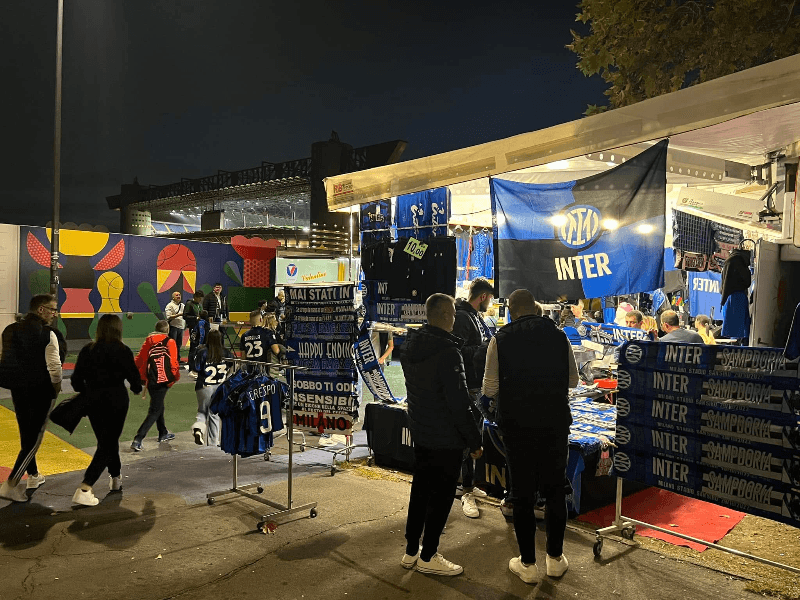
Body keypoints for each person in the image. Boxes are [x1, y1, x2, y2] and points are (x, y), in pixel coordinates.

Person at [482, 289, 578, 584]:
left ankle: (527, 564)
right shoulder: (559, 336)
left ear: (511, 310)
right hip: (554, 423)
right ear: (535, 310)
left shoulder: (501, 339)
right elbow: (573, 380)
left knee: (521, 494)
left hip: (517, 425)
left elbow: (489, 388)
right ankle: (555, 558)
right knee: (554, 490)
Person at [399, 293, 482, 577]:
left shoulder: (410, 346)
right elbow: (459, 403)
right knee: (441, 497)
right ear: (447, 315)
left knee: (420, 492)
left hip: (422, 432)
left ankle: (411, 551)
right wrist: (474, 440)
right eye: (454, 315)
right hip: (445, 439)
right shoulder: (448, 352)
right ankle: (429, 554)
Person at [70, 314, 142, 506]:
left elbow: (76, 381)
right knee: (108, 442)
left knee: (106, 440)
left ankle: (115, 477)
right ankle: (85, 487)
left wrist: (88, 391)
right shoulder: (123, 350)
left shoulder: (88, 350)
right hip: (116, 401)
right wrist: (136, 387)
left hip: (93, 402)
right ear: (119, 329)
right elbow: (135, 382)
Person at [0, 294, 63, 502]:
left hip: (18, 390)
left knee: (26, 432)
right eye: (53, 309)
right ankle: (11, 485)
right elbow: (55, 368)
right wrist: (56, 388)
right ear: (41, 310)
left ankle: (34, 475)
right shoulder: (48, 334)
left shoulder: (9, 330)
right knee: (34, 439)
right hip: (40, 391)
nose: (55, 313)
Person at [452, 277, 494, 519]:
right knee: (469, 436)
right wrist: (485, 348)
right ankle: (465, 488)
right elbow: (458, 351)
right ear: (483, 297)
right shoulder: (464, 317)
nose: (490, 303)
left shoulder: (474, 316)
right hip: (469, 386)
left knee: (475, 434)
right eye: (489, 298)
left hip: (476, 384)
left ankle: (469, 483)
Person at [131, 320, 181, 451]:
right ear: (167, 330)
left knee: (158, 405)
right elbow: (174, 362)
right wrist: (174, 378)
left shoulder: (148, 341)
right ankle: (138, 438)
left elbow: (139, 359)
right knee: (155, 410)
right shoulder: (170, 342)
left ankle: (163, 433)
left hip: (151, 379)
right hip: (163, 380)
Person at [192, 329, 232, 446]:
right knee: (214, 414)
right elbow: (231, 368)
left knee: (202, 411)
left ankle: (199, 428)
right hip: (220, 387)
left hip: (204, 386)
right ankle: (213, 444)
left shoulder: (203, 352)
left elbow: (196, 369)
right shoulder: (227, 353)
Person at [240, 310, 281, 378]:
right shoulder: (268, 332)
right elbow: (276, 351)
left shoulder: (244, 335)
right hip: (263, 369)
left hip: (249, 369)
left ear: (250, 321)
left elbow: (243, 357)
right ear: (261, 319)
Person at [184, 291, 204, 371]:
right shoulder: (189, 304)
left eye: (201, 298)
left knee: (199, 346)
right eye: (199, 298)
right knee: (193, 346)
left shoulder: (200, 305)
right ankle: (191, 365)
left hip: (201, 327)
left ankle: (197, 364)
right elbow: (185, 316)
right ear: (195, 297)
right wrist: (195, 318)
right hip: (193, 328)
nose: (200, 300)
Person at [165, 291, 186, 361]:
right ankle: (172, 359)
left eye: (179, 295)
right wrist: (179, 315)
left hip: (181, 327)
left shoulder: (182, 305)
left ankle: (178, 359)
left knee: (179, 345)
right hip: (173, 327)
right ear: (173, 297)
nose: (178, 296)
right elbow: (168, 317)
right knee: (172, 345)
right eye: (177, 295)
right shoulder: (169, 305)